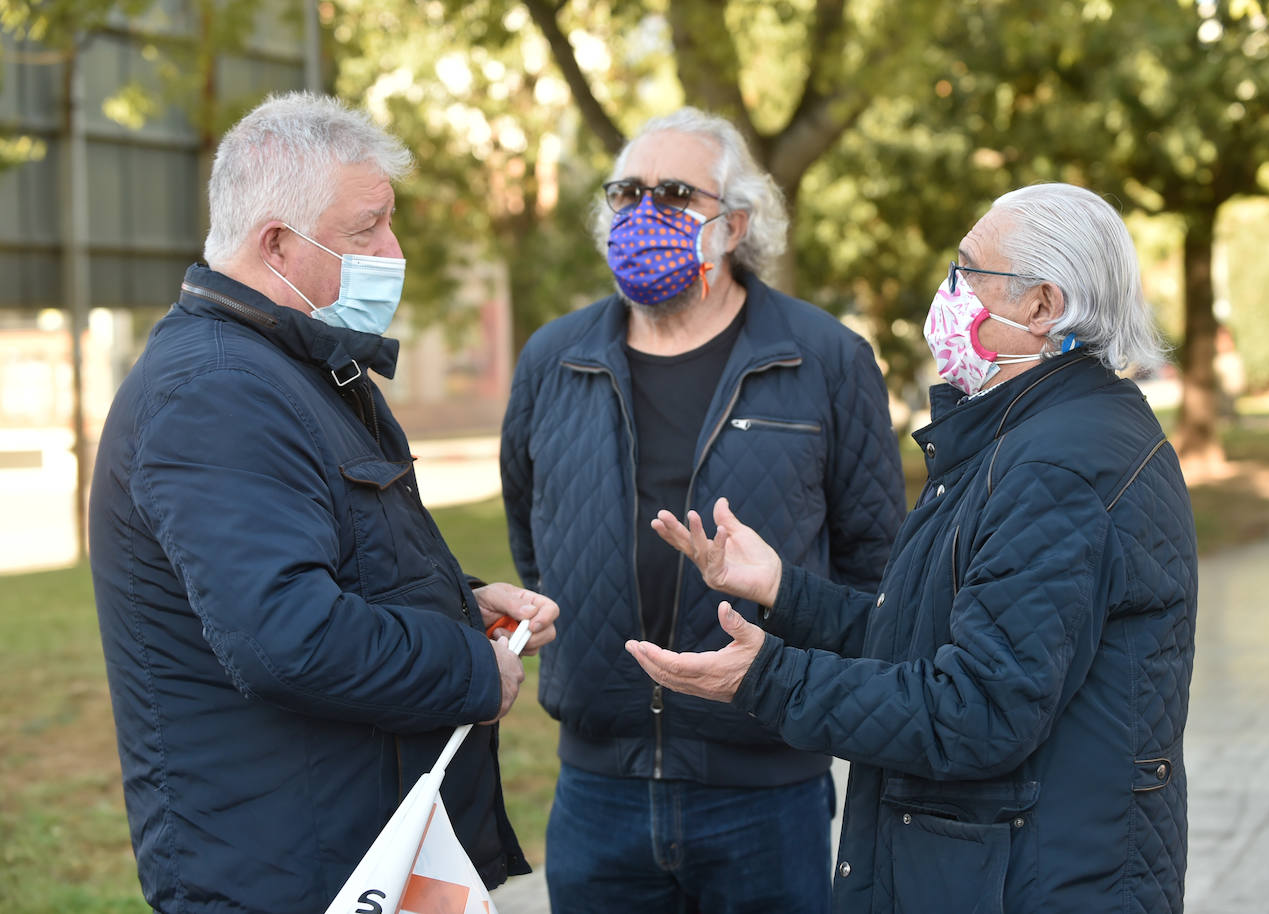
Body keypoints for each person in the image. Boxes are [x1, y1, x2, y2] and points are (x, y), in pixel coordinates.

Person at [629, 183, 1199, 914]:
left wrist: (767, 678)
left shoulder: (1058, 464)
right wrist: (783, 591)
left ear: (1042, 307)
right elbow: (930, 641)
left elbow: (977, 711)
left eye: (967, 271)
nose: (947, 292)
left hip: (1036, 883)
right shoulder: (1021, 436)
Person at [88, 92, 558, 914]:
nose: (393, 250)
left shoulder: (291, 370)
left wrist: (463, 605)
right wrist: (469, 668)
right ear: (276, 243)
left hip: (358, 853)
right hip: (288, 876)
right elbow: (286, 637)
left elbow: (332, 562)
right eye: (367, 229)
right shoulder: (217, 392)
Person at [499, 107, 905, 912]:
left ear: (735, 226)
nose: (644, 213)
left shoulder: (825, 358)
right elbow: (531, 533)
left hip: (767, 790)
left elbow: (875, 564)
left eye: (676, 194)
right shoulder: (553, 358)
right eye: (627, 193)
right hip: (597, 789)